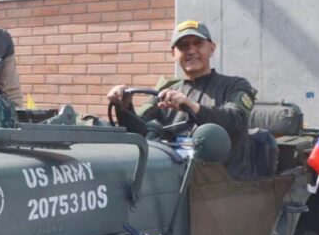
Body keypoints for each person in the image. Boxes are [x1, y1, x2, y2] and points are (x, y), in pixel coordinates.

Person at [107, 20, 257, 176]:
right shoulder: (166, 91)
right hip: (174, 179)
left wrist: (193, 107)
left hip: (222, 185)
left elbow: (236, 121)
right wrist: (124, 108)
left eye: (197, 43)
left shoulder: (235, 85)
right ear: (173, 54)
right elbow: (140, 132)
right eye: (183, 46)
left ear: (211, 48)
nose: (191, 50)